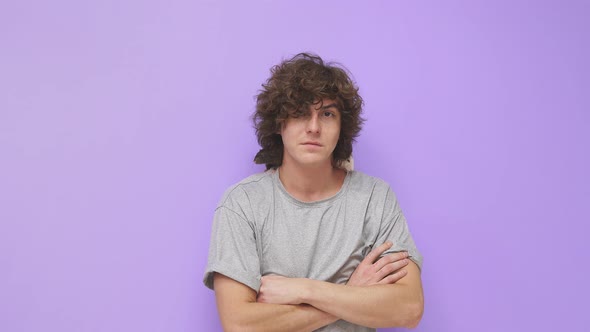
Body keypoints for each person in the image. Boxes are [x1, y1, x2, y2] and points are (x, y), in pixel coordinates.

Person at [203, 53, 424, 331]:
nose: (314, 127)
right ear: (279, 124)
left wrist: (305, 290)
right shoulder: (242, 204)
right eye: (299, 112)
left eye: (327, 114)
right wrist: (351, 292)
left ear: (342, 127)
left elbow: (409, 308)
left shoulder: (374, 198)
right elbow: (240, 326)